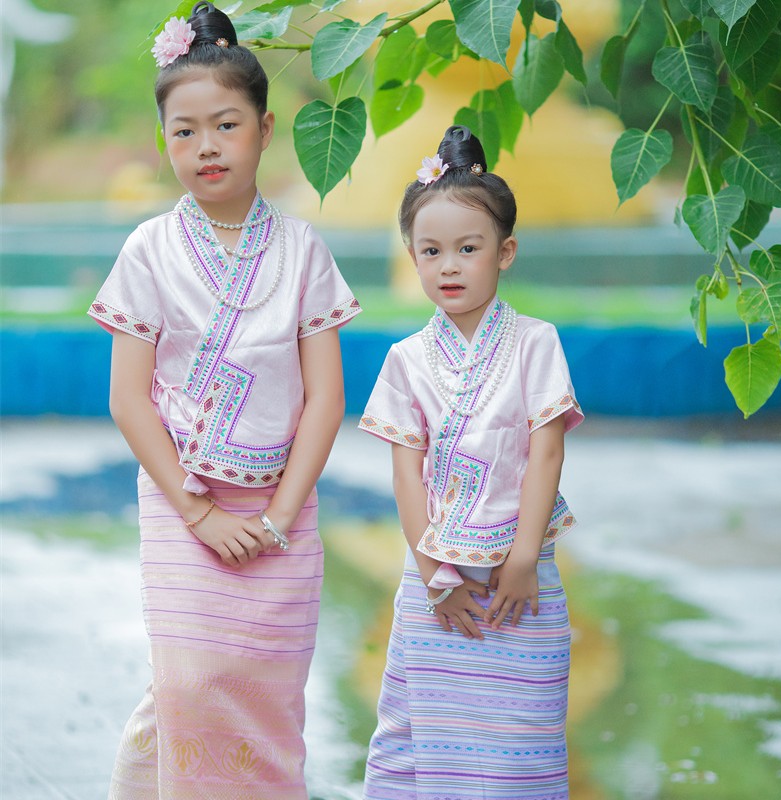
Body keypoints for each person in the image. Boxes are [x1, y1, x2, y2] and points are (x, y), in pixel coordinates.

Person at [88, 3, 361, 797]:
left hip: (283, 508)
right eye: (184, 130)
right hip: (184, 505)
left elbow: (325, 399)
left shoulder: (305, 250)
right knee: (189, 682)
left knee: (262, 693)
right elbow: (129, 398)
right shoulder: (147, 250)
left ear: (266, 130)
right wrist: (199, 510)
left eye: (226, 124)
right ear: (164, 137)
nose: (206, 146)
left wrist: (279, 514)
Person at [358, 125, 583, 799]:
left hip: (522, 574)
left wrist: (518, 560)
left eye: (468, 248)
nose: (449, 265)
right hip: (436, 580)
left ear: (504, 252)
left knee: (521, 741)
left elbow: (547, 448)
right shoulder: (405, 359)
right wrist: (434, 574)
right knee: (422, 738)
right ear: (411, 257)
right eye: (431, 251)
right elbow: (405, 470)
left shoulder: (537, 343)